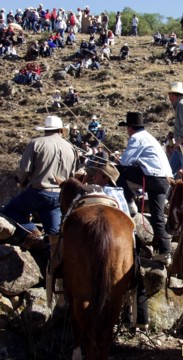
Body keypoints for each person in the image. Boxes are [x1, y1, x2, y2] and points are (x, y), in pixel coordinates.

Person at [85, 159, 149, 330]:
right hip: (127, 230)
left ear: (105, 177)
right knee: (135, 274)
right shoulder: (119, 193)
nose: (93, 177)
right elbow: (129, 215)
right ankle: (141, 317)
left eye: (97, 174)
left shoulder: (92, 192)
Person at [2, 115, 76, 251]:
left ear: (45, 130)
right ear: (60, 130)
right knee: (54, 234)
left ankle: (32, 231)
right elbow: (72, 175)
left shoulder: (36, 143)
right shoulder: (70, 148)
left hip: (38, 191)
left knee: (9, 211)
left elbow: (24, 170)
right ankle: (52, 261)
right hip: (58, 195)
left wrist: (21, 182)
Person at [116, 112, 173, 265]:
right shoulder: (148, 137)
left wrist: (120, 161)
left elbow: (125, 162)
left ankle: (128, 201)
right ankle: (165, 251)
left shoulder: (136, 138)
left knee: (118, 170)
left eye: (127, 128)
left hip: (153, 178)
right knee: (158, 216)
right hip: (164, 180)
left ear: (130, 127)